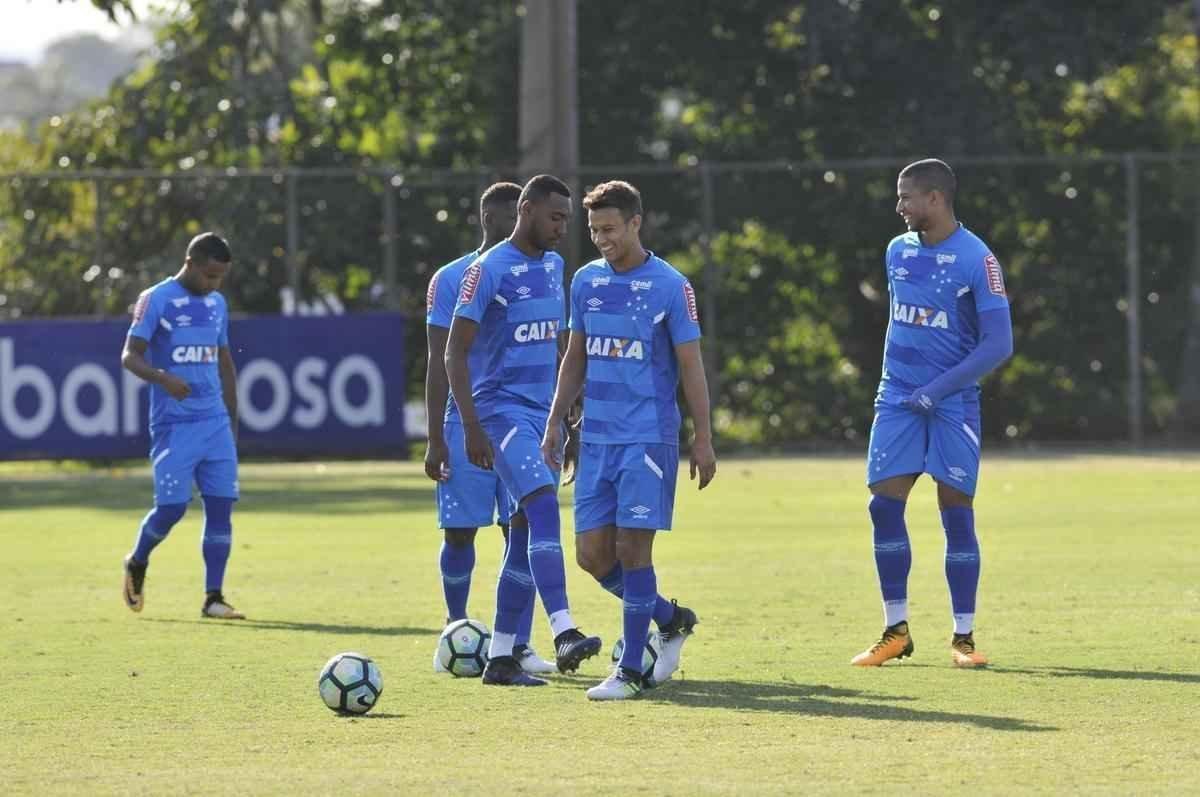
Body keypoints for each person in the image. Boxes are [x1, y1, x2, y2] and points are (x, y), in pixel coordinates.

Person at [541, 180, 715, 700]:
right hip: (595, 438)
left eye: (610, 229)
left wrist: (702, 437)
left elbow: (691, 366)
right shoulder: (586, 282)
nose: (601, 239)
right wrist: (555, 420)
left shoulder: (670, 286)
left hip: (648, 438)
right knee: (593, 556)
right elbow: (575, 357)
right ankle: (671, 619)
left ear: (637, 223)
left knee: (633, 550)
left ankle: (632, 669)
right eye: (594, 230)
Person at [853, 158, 1013, 668]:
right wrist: (905, 389)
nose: (899, 207)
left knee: (956, 516)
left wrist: (938, 390)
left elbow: (998, 344)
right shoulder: (896, 251)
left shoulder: (977, 259)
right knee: (882, 507)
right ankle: (895, 630)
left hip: (951, 405)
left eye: (906, 197)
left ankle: (963, 638)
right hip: (898, 398)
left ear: (936, 199)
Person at [446, 174, 601, 687]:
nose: (562, 228)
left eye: (566, 220)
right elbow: (454, 352)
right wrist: (470, 427)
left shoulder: (555, 267)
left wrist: (563, 416)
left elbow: (556, 346)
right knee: (540, 505)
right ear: (527, 210)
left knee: (520, 535)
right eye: (555, 217)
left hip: (541, 416)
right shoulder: (487, 270)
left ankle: (502, 659)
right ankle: (563, 629)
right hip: (499, 411)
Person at [423, 181, 553, 676]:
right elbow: (439, 358)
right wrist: (437, 436)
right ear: (491, 220)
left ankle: (517, 643)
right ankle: (455, 632)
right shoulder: (453, 277)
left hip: (520, 420)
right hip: (466, 422)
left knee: (519, 529)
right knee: (459, 534)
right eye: (509, 220)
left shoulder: (542, 271)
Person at [120, 232, 245, 620]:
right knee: (171, 509)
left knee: (221, 507)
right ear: (190, 263)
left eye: (221, 277)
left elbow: (224, 360)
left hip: (215, 422)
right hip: (175, 424)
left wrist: (233, 420)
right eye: (209, 275)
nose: (214, 284)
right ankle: (138, 560)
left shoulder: (217, 303)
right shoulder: (155, 299)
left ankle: (214, 597)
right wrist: (163, 378)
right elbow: (129, 356)